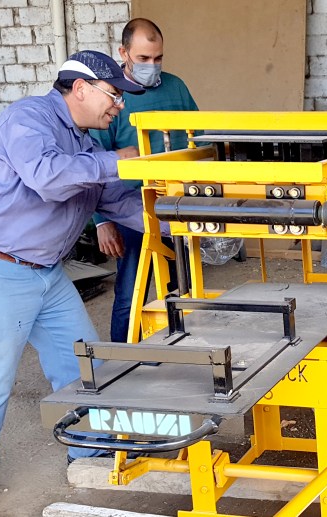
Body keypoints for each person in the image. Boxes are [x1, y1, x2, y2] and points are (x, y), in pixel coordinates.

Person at [0, 50, 155, 517]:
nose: (119, 107)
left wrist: (191, 220)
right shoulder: (28, 119)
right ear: (81, 88)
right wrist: (119, 161)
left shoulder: (86, 146)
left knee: (81, 364)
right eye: (114, 95)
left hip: (45, 272)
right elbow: (48, 177)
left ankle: (89, 449)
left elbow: (120, 204)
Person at [90, 18, 199, 343]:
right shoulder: (112, 97)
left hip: (177, 204)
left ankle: (187, 349)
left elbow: (200, 136)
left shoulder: (176, 87)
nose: (152, 66)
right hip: (130, 209)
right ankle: (123, 360)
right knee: (130, 293)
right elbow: (94, 162)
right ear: (123, 53)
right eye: (143, 58)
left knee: (185, 289)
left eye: (158, 58)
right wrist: (101, 221)